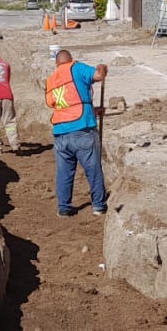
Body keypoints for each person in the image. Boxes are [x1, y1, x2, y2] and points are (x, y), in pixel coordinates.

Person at [44, 49, 107, 216]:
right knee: (93, 169)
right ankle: (99, 206)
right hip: (82, 131)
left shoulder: (52, 79)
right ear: (70, 59)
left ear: (56, 63)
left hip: (60, 134)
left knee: (64, 173)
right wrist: (102, 68)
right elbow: (98, 75)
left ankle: (64, 208)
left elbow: (63, 103)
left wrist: (92, 110)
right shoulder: (76, 68)